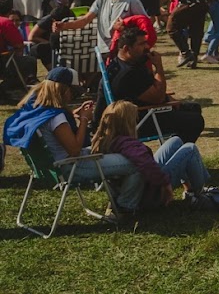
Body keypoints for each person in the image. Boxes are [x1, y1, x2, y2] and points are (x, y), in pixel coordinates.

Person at [2, 67, 143, 223]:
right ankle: (125, 208)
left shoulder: (35, 111)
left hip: (52, 168)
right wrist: (83, 120)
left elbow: (59, 138)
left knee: (109, 150)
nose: (73, 96)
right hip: (72, 167)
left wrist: (72, 116)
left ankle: (118, 201)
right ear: (63, 90)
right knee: (135, 163)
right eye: (73, 92)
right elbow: (75, 150)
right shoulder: (56, 118)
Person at [92, 100, 215, 211]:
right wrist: (165, 184)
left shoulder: (107, 140)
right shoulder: (127, 144)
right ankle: (199, 193)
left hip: (147, 184)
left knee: (176, 141)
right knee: (190, 149)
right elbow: (146, 164)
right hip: (153, 190)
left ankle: (190, 190)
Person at [100, 23, 205, 143]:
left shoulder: (121, 63)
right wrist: (158, 67)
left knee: (193, 108)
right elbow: (158, 97)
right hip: (139, 120)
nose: (147, 47)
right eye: (141, 44)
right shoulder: (128, 74)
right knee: (195, 121)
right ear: (126, 49)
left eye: (146, 42)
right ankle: (175, 154)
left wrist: (170, 99)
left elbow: (150, 88)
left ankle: (178, 150)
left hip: (141, 111)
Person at [52, 0, 147, 55]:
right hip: (103, 49)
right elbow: (85, 20)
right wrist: (64, 25)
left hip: (123, 50)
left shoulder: (132, 1)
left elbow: (145, 24)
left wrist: (125, 28)